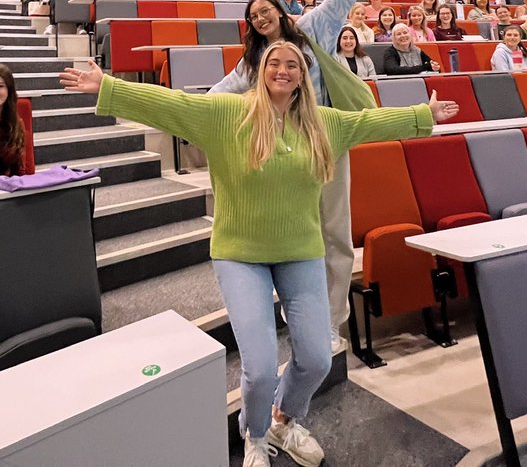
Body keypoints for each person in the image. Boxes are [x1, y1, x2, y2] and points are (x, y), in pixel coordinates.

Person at [60, 43, 457, 467]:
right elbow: (171, 103)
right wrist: (110, 87)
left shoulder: (324, 123)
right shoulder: (229, 113)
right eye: (275, 63)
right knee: (261, 367)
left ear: (303, 76)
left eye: (293, 65)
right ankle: (254, 433)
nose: (284, 70)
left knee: (317, 357)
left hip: (300, 250)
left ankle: (283, 420)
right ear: (260, 71)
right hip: (240, 254)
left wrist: (423, 115)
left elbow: (368, 121)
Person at [209, 0, 386, 354]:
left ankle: (331, 319)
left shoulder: (315, 28)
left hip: (325, 139)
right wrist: (183, 109)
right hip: (284, 153)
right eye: (252, 16)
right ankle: (303, 314)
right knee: (296, 236)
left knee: (335, 233)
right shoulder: (254, 61)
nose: (259, 17)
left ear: (278, 9)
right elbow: (220, 93)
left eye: (264, 9)